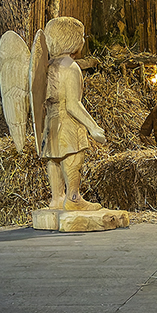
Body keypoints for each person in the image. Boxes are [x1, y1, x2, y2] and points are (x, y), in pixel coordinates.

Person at [39, 16, 107, 211]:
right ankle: (73, 197)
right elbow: (72, 105)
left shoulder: (47, 66)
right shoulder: (70, 66)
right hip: (68, 122)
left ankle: (56, 199)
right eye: (82, 36)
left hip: (51, 122)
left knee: (54, 158)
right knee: (73, 156)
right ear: (73, 39)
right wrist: (93, 127)